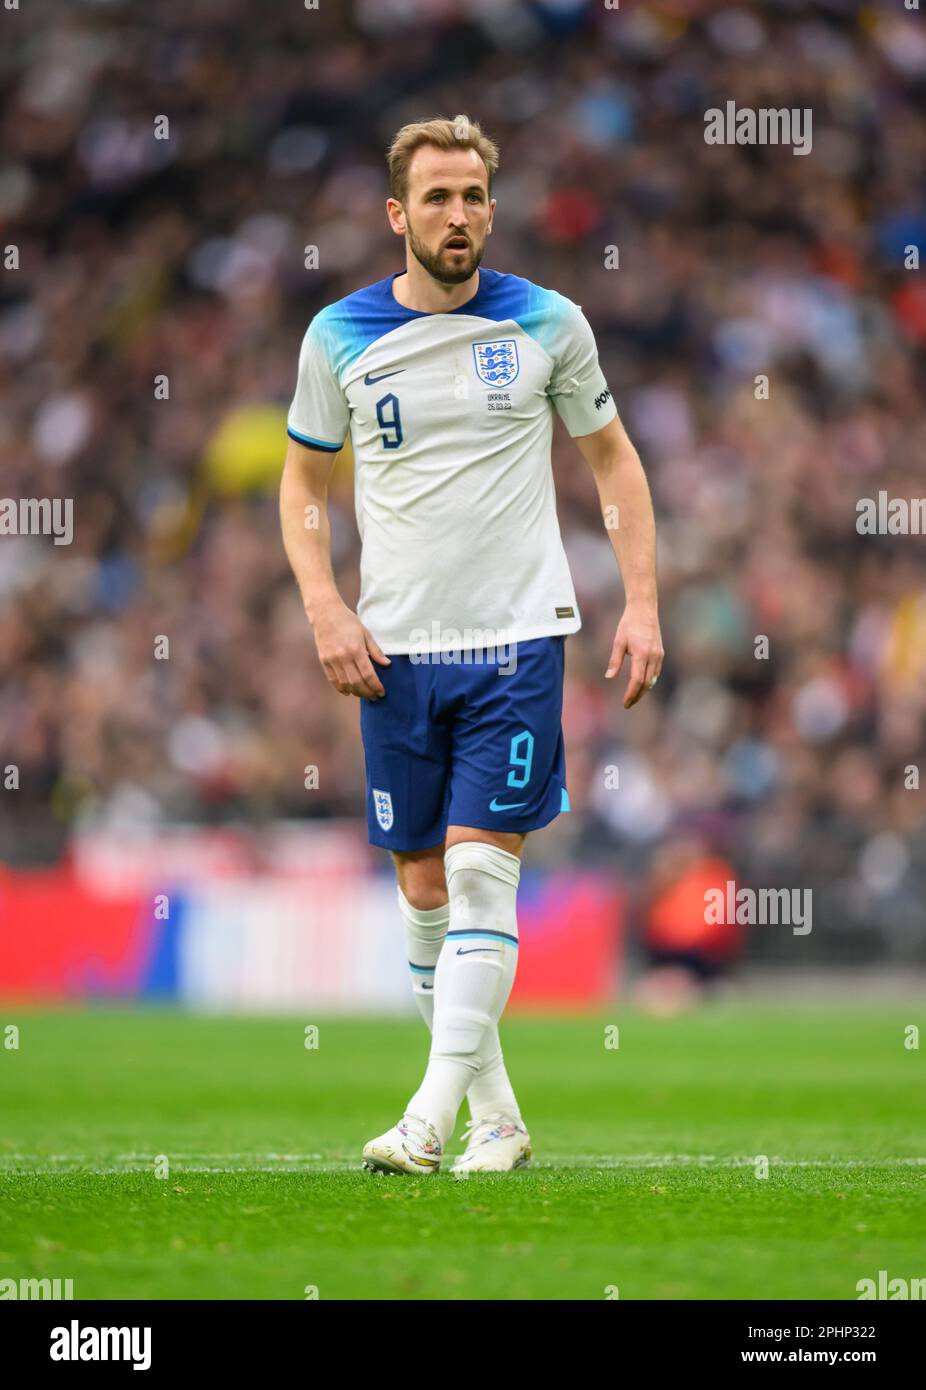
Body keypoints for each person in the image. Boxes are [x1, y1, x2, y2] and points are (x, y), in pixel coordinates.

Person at [280, 114, 663, 1176]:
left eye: (473, 197)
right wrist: (322, 603)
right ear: (397, 215)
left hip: (514, 643)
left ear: (493, 207)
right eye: (437, 198)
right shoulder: (337, 336)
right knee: (421, 892)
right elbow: (302, 483)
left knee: (481, 880)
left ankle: (423, 1116)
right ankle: (496, 1115)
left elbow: (614, 463)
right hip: (394, 650)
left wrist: (639, 604)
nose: (458, 215)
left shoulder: (548, 323)